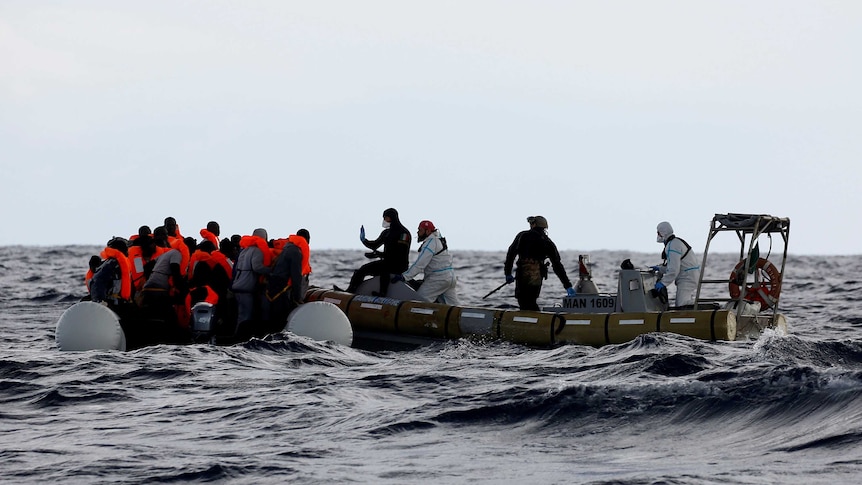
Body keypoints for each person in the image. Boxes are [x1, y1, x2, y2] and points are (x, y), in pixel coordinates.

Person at [503, 216, 576, 311]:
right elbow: (557, 265)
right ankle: (537, 320)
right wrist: (568, 286)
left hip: (523, 275)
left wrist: (508, 273)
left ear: (533, 224)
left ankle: (531, 322)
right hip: (537, 277)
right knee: (531, 300)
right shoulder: (547, 242)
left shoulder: (522, 236)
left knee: (523, 300)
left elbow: (511, 254)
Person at [346, 208, 411, 296]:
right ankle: (350, 291)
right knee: (362, 270)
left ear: (391, 218)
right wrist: (364, 240)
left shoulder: (404, 233)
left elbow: (400, 253)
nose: (384, 220)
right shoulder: (387, 233)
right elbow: (374, 245)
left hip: (399, 265)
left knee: (385, 271)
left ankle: (382, 293)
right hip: (387, 262)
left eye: (385, 218)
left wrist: (379, 254)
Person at [393, 220, 460, 305]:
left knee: (419, 302)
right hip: (450, 278)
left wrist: (404, 277)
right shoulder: (438, 240)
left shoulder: (430, 243)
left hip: (438, 279)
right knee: (454, 307)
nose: (418, 232)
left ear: (427, 231)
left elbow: (420, 264)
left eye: (420, 230)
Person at [264, 229, 311, 333]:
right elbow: (296, 276)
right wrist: (298, 298)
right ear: (307, 240)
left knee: (272, 317)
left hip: (273, 286)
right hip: (281, 289)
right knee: (280, 319)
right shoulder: (296, 252)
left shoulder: (287, 248)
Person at [230, 228, 273, 338]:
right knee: (246, 316)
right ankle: (240, 339)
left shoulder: (245, 249)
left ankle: (236, 335)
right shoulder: (257, 250)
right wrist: (271, 270)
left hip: (237, 285)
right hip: (246, 288)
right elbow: (257, 267)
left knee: (240, 315)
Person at [652, 221, 701, 307]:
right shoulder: (675, 242)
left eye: (658, 232)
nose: (658, 235)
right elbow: (673, 265)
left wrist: (663, 283)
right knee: (684, 301)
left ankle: (706, 310)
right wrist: (660, 268)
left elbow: (673, 270)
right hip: (690, 276)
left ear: (663, 233)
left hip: (687, 278)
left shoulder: (672, 245)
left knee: (681, 304)